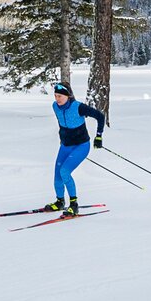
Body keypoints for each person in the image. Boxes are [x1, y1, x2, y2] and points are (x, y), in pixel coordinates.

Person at [43, 82, 108, 215]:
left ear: (68, 96)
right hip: (66, 146)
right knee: (57, 176)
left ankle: (74, 204)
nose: (57, 99)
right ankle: (60, 202)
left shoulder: (78, 107)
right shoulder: (55, 107)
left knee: (65, 172)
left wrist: (99, 136)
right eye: (55, 96)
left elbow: (100, 116)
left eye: (60, 96)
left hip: (81, 146)